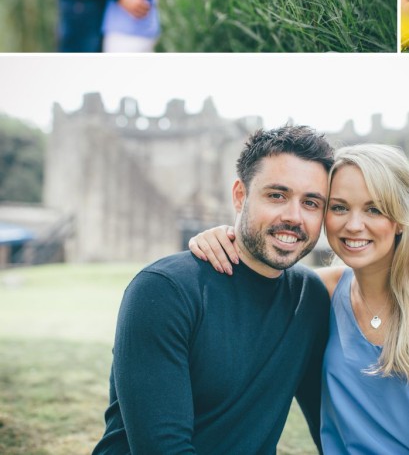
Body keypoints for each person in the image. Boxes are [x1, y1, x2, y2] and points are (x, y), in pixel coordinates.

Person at [189, 144, 409, 454]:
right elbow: (258, 268)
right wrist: (221, 236)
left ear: (399, 218)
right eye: (339, 207)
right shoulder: (319, 291)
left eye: (374, 209)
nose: (353, 225)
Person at [93, 125, 334, 454]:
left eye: (311, 203)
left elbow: (329, 429)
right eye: (277, 195)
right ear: (240, 195)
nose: (293, 217)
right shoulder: (164, 291)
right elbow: (164, 449)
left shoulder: (310, 300)